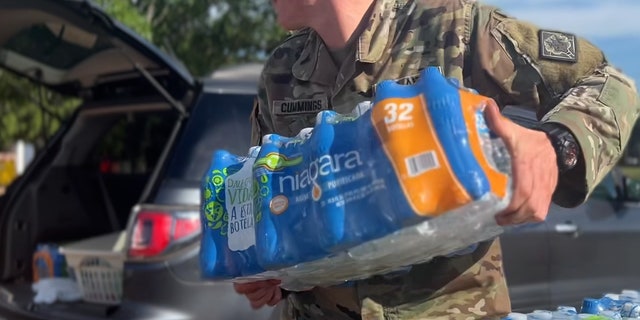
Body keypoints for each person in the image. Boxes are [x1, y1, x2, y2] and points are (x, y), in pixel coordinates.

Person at [235, 0, 640, 319]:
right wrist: (277, 276)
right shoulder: (282, 71)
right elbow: (277, 209)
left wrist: (556, 146)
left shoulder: (454, 30)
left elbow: (608, 82)